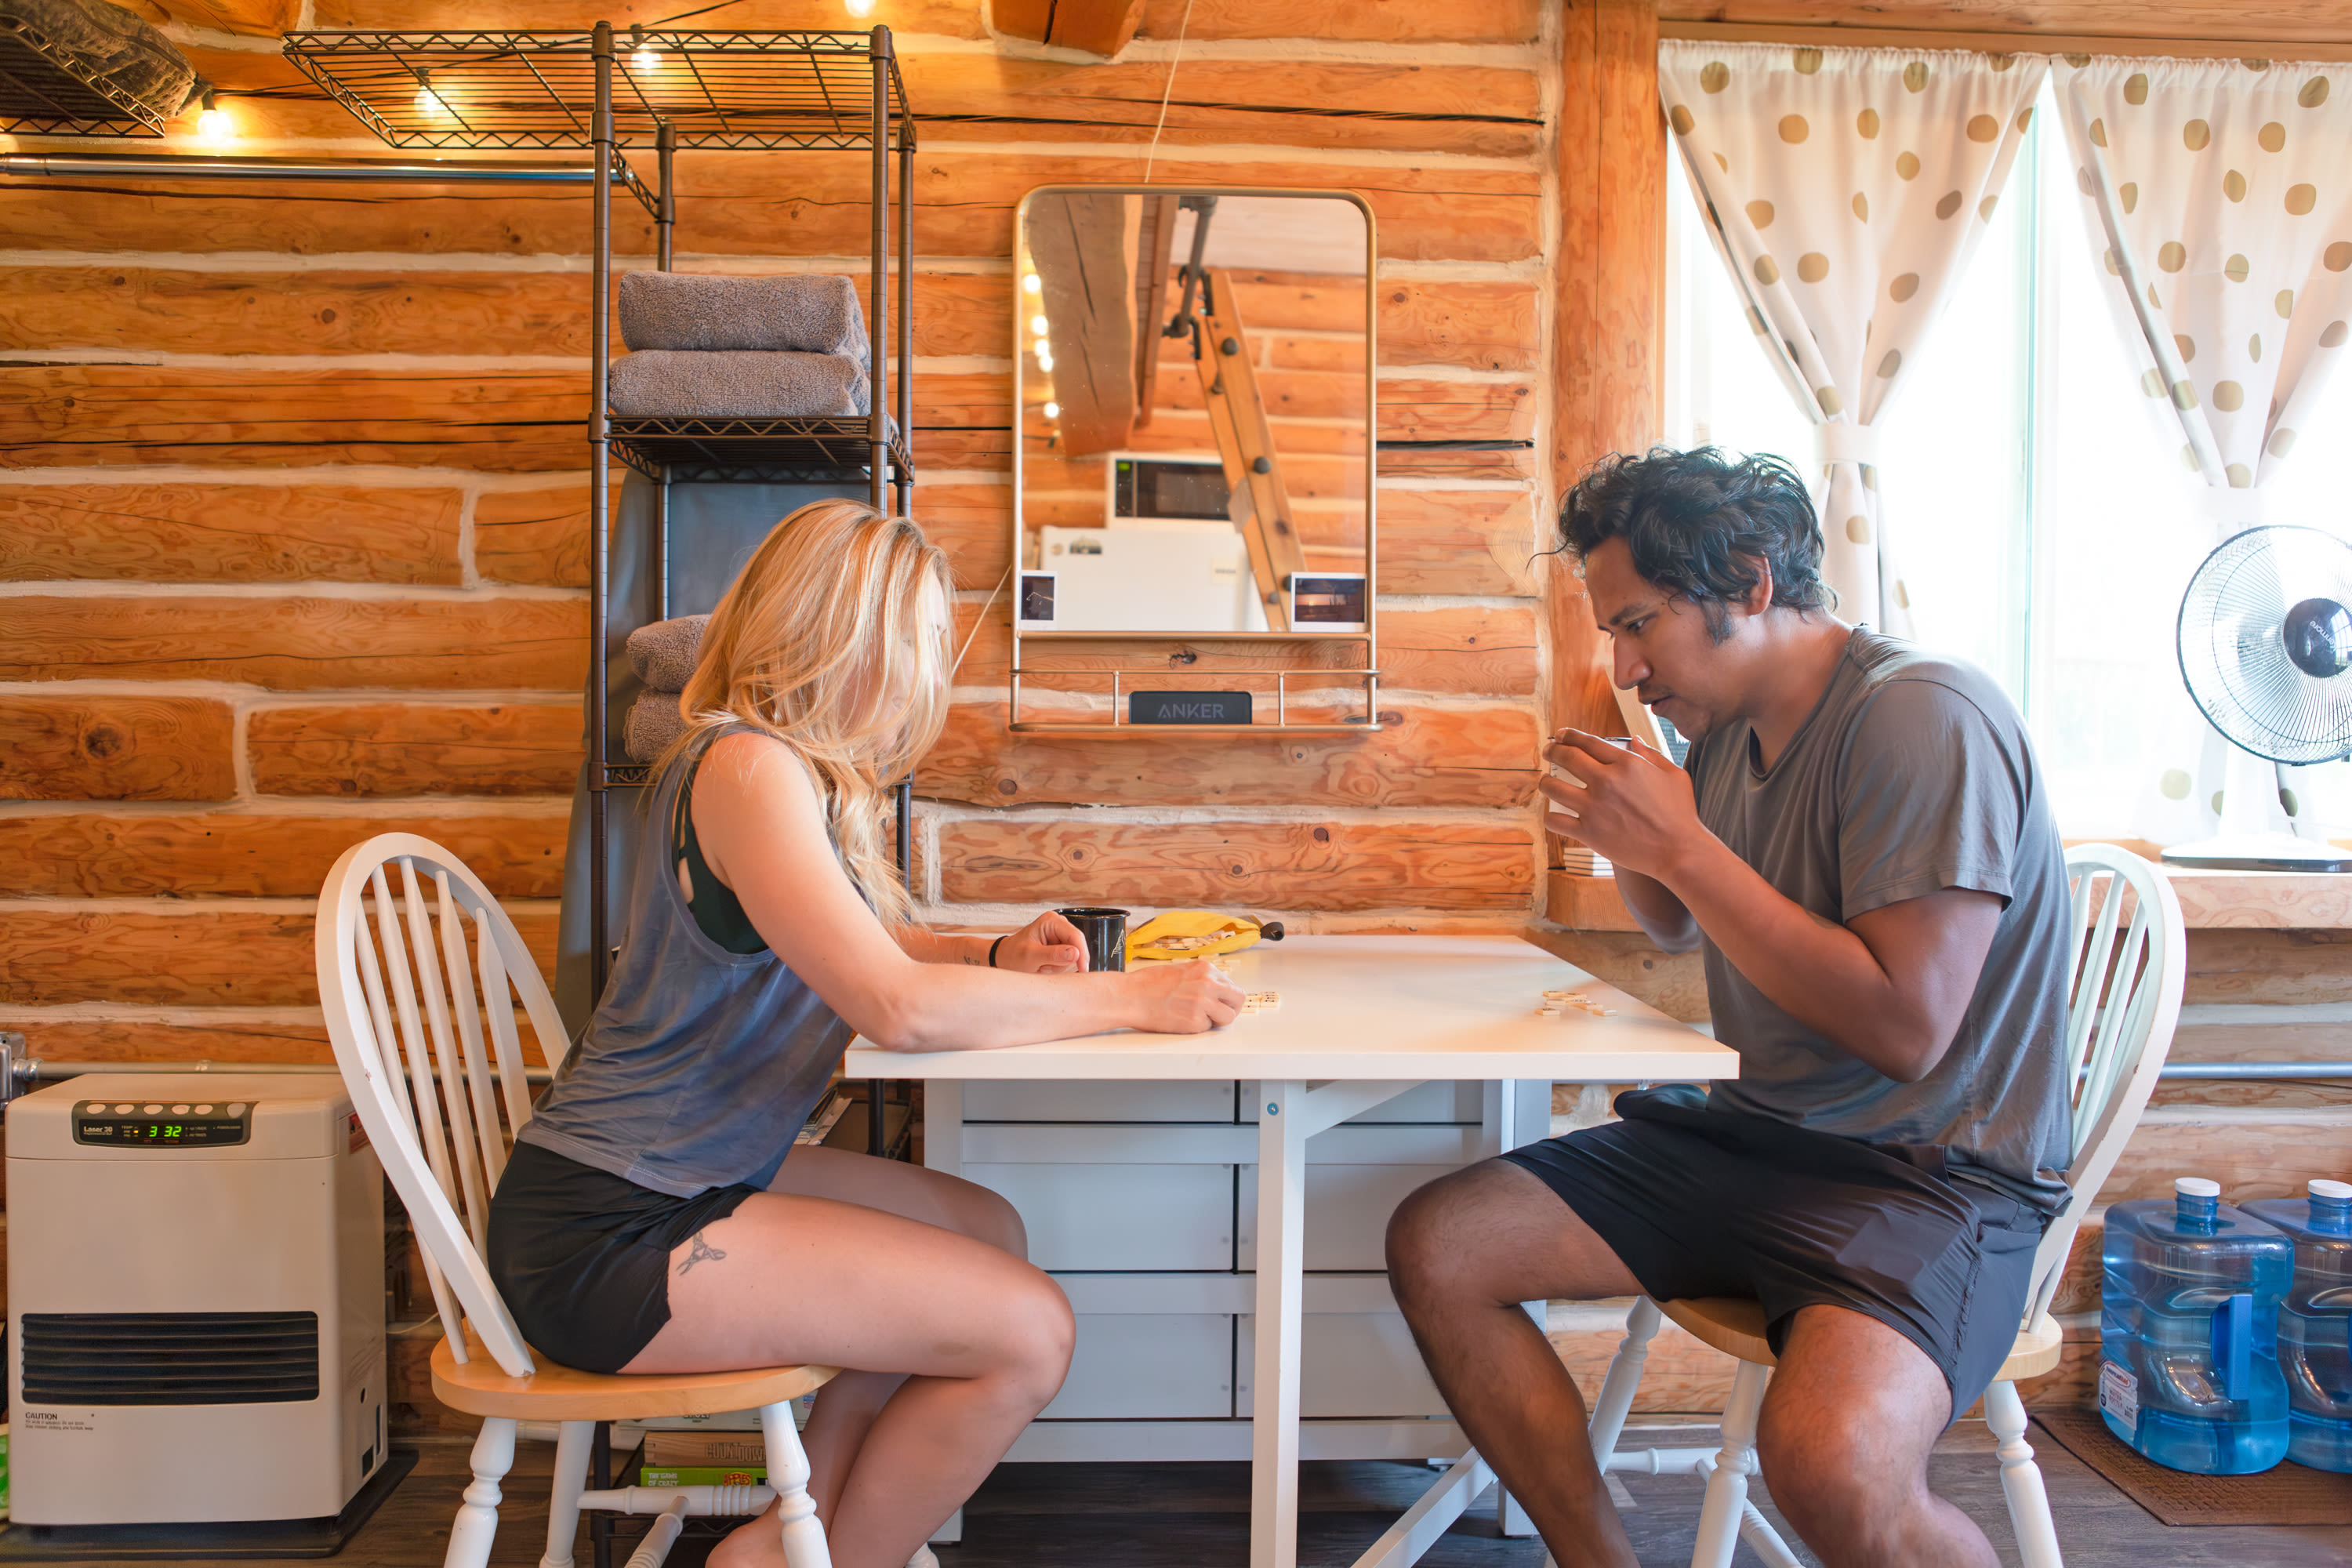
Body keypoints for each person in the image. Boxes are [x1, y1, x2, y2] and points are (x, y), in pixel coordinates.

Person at [488, 499, 1244, 1568]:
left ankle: (795, 1540)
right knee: (1029, 1335)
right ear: (850, 639)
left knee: (987, 1232)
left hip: (682, 1179)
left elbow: (866, 947)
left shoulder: (761, 766)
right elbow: (896, 1008)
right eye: (921, 643)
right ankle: (841, 1558)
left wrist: (988, 957)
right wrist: (1132, 999)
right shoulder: (747, 768)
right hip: (607, 1231)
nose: (926, 674)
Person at [1385, 448, 2072, 1568]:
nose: (1625, 661)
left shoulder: (1920, 717)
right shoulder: (1726, 737)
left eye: (1640, 623)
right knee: (1443, 1243)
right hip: (1761, 1139)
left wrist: (1685, 847)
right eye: (1614, 630)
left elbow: (1908, 1029)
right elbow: (1676, 924)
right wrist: (1633, 837)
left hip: (1933, 1174)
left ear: (1750, 583)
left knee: (1831, 1467)